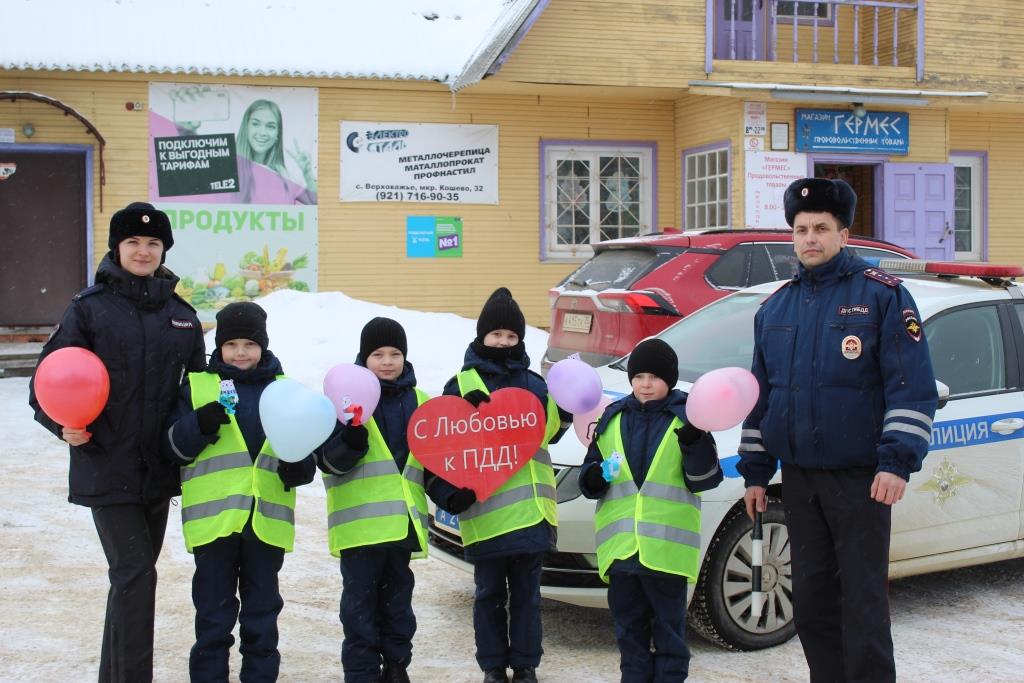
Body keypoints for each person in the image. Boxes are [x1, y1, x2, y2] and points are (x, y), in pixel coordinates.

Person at [737, 178, 938, 683]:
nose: (810, 238)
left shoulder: (882, 296)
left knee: (863, 603)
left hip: (862, 480)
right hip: (800, 479)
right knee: (811, 601)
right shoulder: (775, 308)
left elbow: (911, 388)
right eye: (801, 229)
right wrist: (756, 473)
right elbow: (761, 396)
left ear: (844, 234)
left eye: (821, 228)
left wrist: (895, 462)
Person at [28, 201, 207, 682]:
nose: (143, 251)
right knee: (135, 575)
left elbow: (197, 393)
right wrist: (59, 423)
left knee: (131, 581)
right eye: (133, 242)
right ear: (117, 247)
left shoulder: (184, 318)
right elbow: (45, 383)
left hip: (158, 471)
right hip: (105, 464)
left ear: (164, 249)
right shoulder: (88, 310)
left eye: (153, 243)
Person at [164, 301, 316, 682]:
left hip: (265, 523)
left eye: (249, 344)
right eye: (231, 344)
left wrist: (298, 467)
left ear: (263, 345)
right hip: (214, 524)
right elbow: (171, 448)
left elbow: (305, 455)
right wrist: (198, 424)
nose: (241, 352)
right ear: (219, 347)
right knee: (213, 617)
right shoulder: (199, 386)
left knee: (262, 616)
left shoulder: (286, 391)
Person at [426, 288, 570, 683]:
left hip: (532, 514)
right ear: (481, 337)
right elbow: (439, 446)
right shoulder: (462, 384)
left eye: (512, 337)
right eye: (496, 335)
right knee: (489, 595)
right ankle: (492, 666)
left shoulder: (535, 383)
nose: (504, 343)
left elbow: (550, 432)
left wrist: (568, 410)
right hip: (484, 514)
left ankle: (525, 666)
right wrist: (447, 493)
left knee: (527, 597)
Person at [577, 338, 722, 683]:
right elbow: (588, 480)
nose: (645, 383)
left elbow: (705, 479)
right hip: (623, 551)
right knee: (629, 630)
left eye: (654, 377)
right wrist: (596, 476)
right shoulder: (612, 418)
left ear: (669, 380)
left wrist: (693, 442)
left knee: (669, 631)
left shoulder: (689, 418)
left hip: (666, 554)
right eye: (638, 375)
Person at [314, 317, 431, 683]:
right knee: (359, 609)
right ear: (364, 358)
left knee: (399, 605)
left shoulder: (421, 401)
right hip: (360, 528)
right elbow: (327, 463)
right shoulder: (342, 401)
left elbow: (433, 462)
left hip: (401, 525)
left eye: (395, 353)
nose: (386, 361)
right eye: (377, 354)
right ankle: (362, 672)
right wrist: (348, 443)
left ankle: (396, 666)